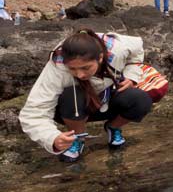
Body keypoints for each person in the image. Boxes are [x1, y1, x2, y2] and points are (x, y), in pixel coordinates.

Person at [18, 29, 154, 163]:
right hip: (71, 108)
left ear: (100, 58)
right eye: (72, 69)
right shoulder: (57, 68)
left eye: (85, 67)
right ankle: (77, 137)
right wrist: (52, 138)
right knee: (71, 94)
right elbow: (33, 113)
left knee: (140, 100)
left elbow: (137, 49)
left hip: (105, 98)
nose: (80, 75)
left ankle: (113, 127)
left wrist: (132, 75)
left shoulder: (118, 48)